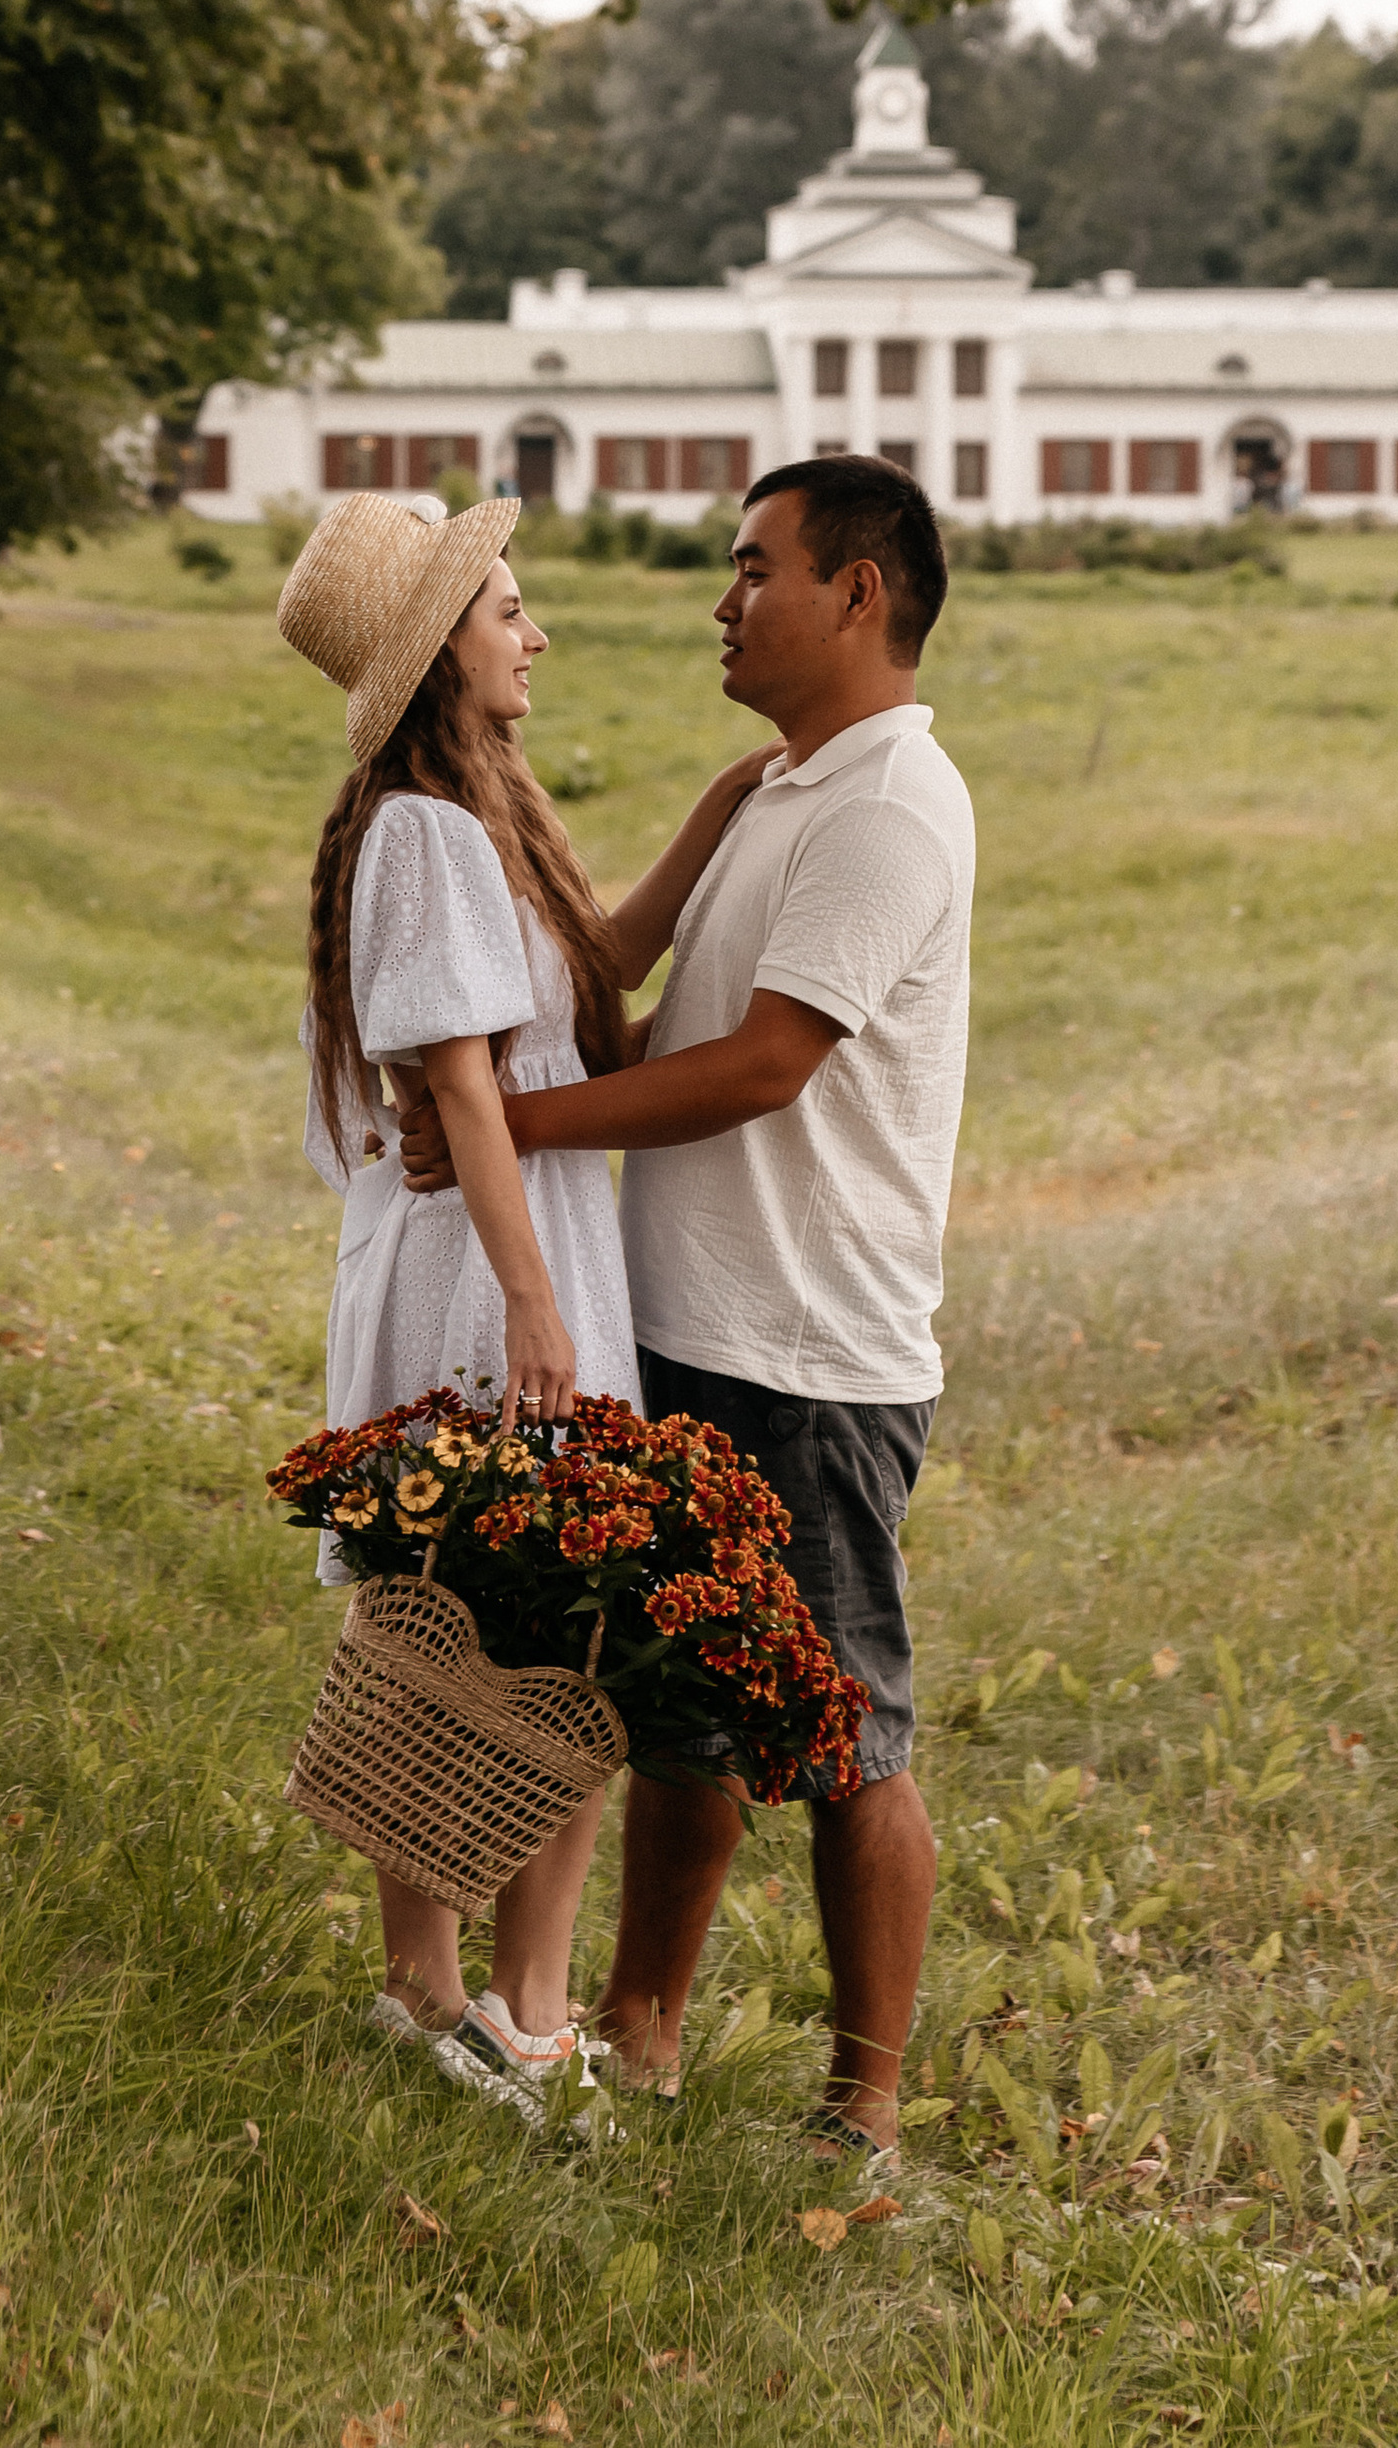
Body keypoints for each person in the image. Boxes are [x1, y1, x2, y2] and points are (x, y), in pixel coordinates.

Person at [400, 454, 973, 2163]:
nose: (722, 602)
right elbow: (652, 1032)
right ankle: (640, 2034)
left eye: (753, 571)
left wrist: (507, 1128)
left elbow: (766, 1068)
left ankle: (863, 2120)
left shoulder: (888, 807)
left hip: (814, 1352)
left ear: (858, 593)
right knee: (677, 1711)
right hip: (693, 1329)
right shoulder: (783, 792)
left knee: (842, 1733)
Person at [279, 489, 768, 2123]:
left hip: (523, 1258)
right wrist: (535, 1305)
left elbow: (591, 999)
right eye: (505, 604)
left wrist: (718, 814)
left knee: (486, 1627)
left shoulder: (484, 815)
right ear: (437, 655)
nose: (533, 628)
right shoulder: (419, 829)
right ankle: (495, 2011)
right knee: (511, 1634)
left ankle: (460, 2000)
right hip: (490, 1272)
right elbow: (470, 1094)